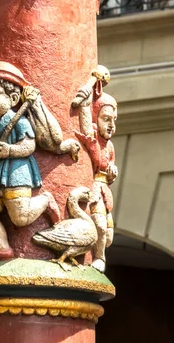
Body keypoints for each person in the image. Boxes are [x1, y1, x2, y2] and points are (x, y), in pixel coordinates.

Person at [0, 61, 61, 263]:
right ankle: (1, 248)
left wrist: (9, 150)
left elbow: (29, 145)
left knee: (20, 218)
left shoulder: (18, 121)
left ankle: (46, 201)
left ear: (12, 99)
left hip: (16, 173)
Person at [74, 90, 118, 273]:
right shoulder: (93, 140)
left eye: (114, 120)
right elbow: (84, 120)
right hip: (95, 191)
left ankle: (100, 253)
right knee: (99, 225)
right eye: (106, 119)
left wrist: (112, 172)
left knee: (108, 237)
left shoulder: (110, 146)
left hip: (105, 192)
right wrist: (86, 95)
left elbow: (111, 167)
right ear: (96, 118)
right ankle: (100, 258)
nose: (111, 125)